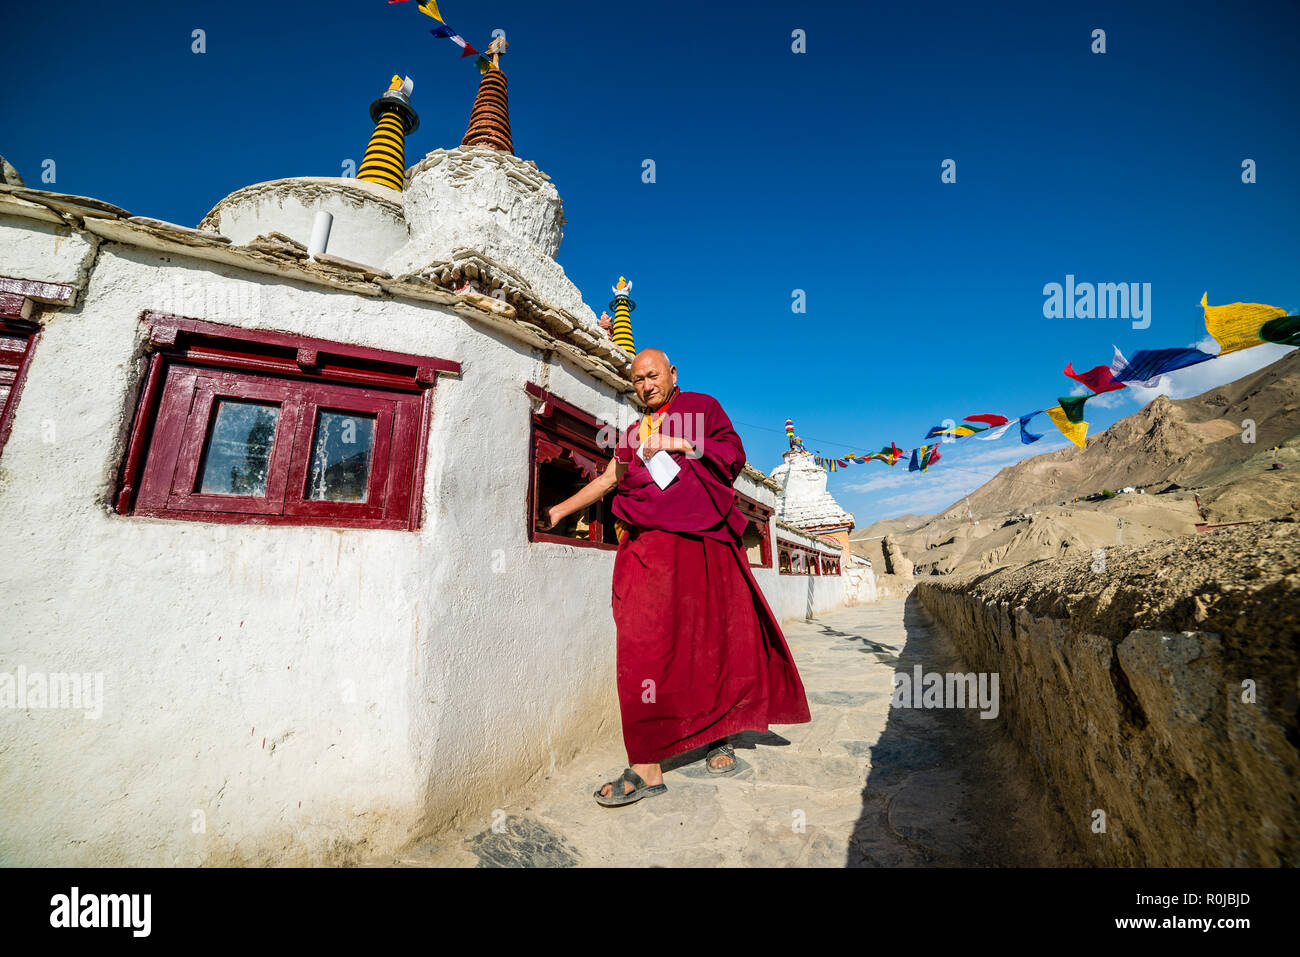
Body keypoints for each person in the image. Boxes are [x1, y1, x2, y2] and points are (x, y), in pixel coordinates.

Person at [543, 348, 812, 806]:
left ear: (672, 374)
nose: (645, 385)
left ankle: (721, 733)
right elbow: (610, 479)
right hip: (649, 552)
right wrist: (558, 511)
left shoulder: (701, 409)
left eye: (652, 375)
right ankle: (647, 766)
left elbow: (732, 457)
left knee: (712, 642)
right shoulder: (630, 434)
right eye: (637, 380)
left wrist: (681, 444)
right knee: (643, 648)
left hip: (705, 546)